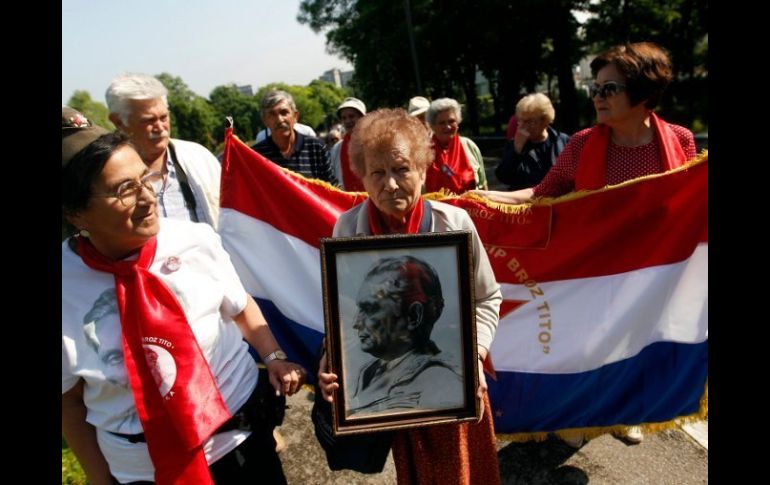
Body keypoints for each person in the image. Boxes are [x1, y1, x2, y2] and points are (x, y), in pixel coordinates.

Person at [61, 107, 306, 484]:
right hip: (141, 470)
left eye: (146, 179)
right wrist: (99, 477)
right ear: (76, 214)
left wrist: (273, 355)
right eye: (125, 189)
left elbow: (240, 306)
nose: (146, 198)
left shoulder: (193, 240)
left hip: (242, 443)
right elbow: (70, 403)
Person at [471, 42, 697, 446]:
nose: (596, 96)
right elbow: (541, 196)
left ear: (643, 90)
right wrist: (479, 201)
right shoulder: (580, 144)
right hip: (594, 272)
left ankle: (626, 413)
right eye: (595, 87)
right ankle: (585, 415)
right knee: (592, 344)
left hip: (651, 273)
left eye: (609, 88)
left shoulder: (680, 142)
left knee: (638, 344)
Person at [319, 108, 502, 484]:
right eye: (377, 172)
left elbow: (487, 298)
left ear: (421, 169)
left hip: (454, 386)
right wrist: (331, 359)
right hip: (390, 398)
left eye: (401, 169)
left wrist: (475, 354)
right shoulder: (347, 229)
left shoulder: (454, 224)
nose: (390, 184)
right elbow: (344, 313)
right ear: (362, 177)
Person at [348, 256, 463, 415]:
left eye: (370, 309)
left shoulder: (438, 380)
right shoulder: (368, 372)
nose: (356, 323)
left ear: (413, 316)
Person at [106, 73, 221, 229]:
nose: (160, 127)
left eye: (164, 117)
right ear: (118, 122)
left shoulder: (200, 159)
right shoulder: (105, 177)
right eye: (148, 120)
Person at [252, 89, 338, 185]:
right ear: (265, 121)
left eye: (284, 112)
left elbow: (333, 189)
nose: (279, 120)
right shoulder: (256, 156)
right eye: (272, 114)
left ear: (295, 116)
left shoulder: (316, 148)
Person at [495, 93, 571, 190]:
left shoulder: (564, 141)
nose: (523, 126)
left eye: (529, 122)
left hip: (560, 202)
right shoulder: (514, 145)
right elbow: (504, 178)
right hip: (527, 203)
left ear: (545, 121)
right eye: (521, 121)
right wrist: (516, 151)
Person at [425, 98, 488, 193]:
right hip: (436, 207)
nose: (448, 127)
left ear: (458, 122)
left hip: (471, 206)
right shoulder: (424, 151)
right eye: (442, 123)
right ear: (433, 126)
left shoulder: (469, 146)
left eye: (451, 121)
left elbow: (483, 185)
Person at [329, 97, 367, 191]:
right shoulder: (337, 148)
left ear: (362, 117)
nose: (347, 121)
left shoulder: (376, 143)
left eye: (351, 116)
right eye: (344, 118)